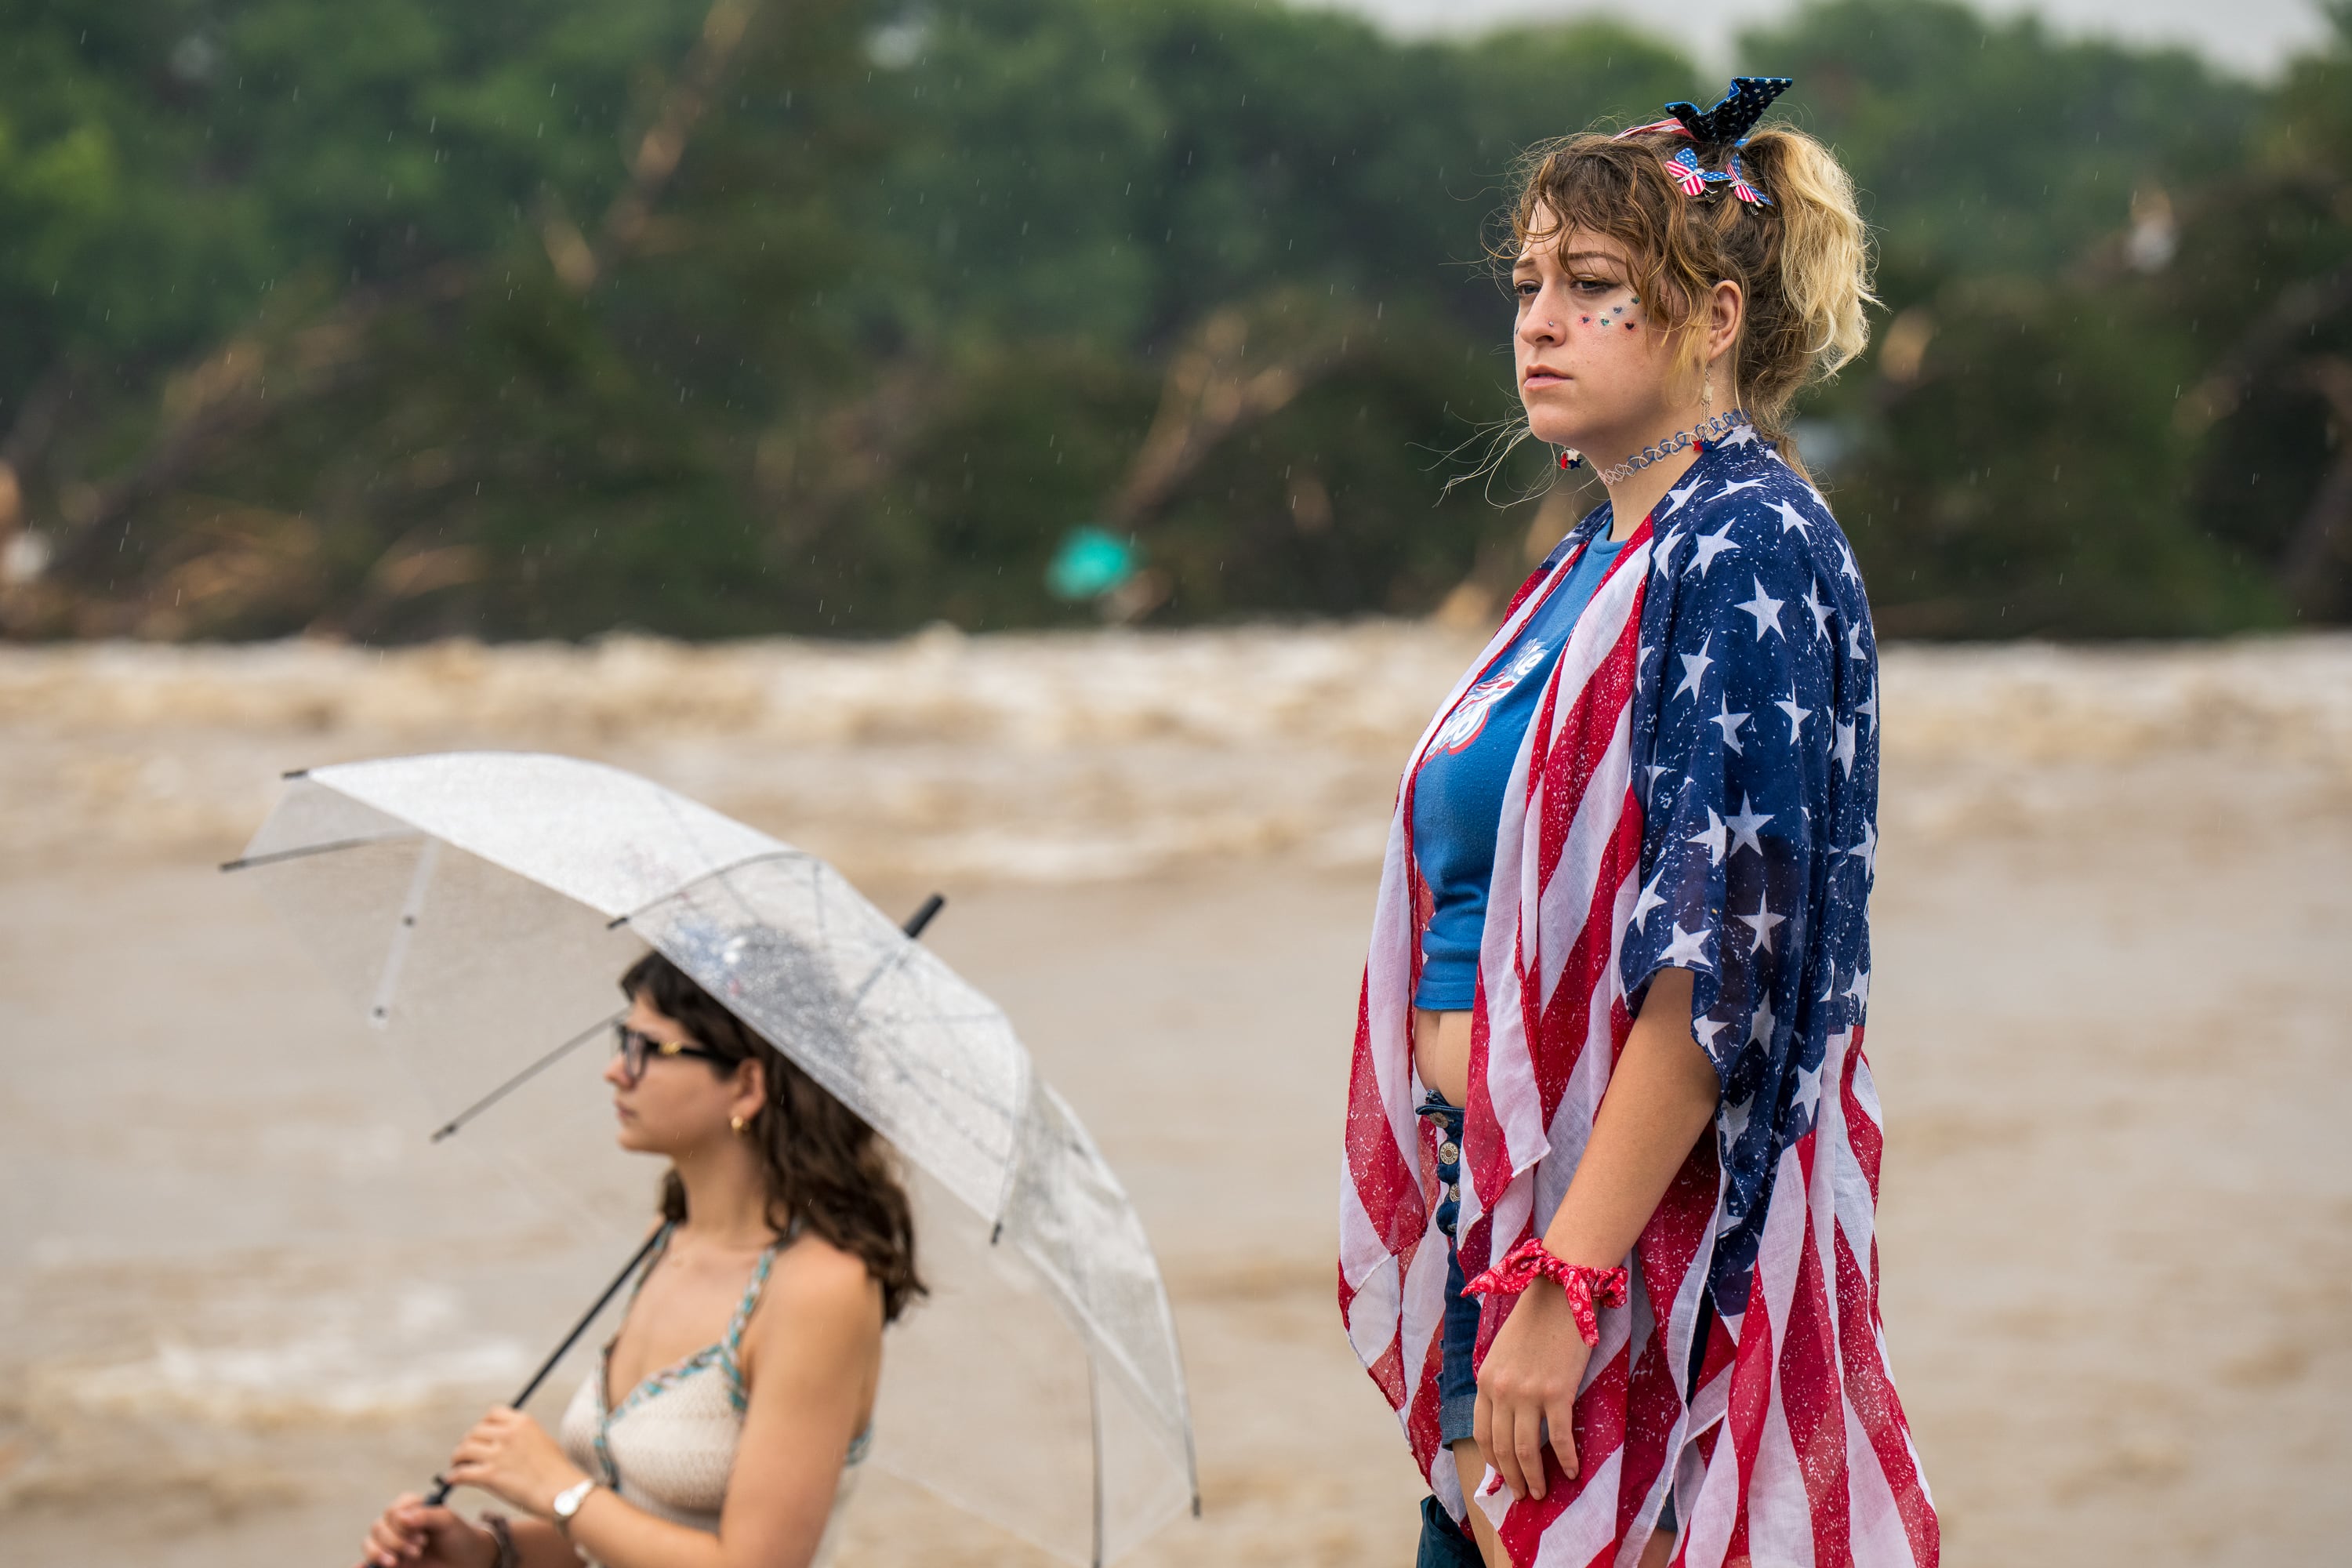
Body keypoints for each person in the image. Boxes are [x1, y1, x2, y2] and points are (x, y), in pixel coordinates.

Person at [1338, 79, 1940, 1568]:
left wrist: (1568, 1280)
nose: (1540, 320)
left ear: (1717, 317)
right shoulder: (1597, 555)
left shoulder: (1745, 546)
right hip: (1506, 1224)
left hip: (1618, 1274)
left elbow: (1716, 970)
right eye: (1530, 283)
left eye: (1593, 288)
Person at [361, 951, 922, 1568]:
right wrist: (486, 1551)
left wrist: (559, 1489)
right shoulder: (669, 1238)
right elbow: (633, 1533)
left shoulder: (817, 1288)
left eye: (648, 1049)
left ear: (746, 1085)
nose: (614, 1072)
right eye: (623, 1039)